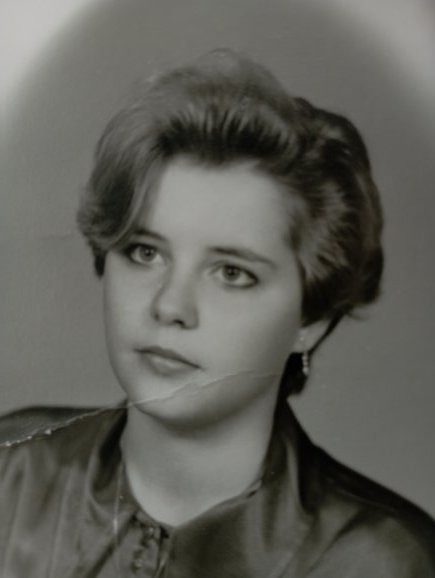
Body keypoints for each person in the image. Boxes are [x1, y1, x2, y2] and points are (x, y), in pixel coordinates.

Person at [0, 49, 434, 577]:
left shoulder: (378, 561)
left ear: (310, 320)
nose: (170, 306)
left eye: (231, 273)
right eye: (145, 252)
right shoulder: (12, 472)